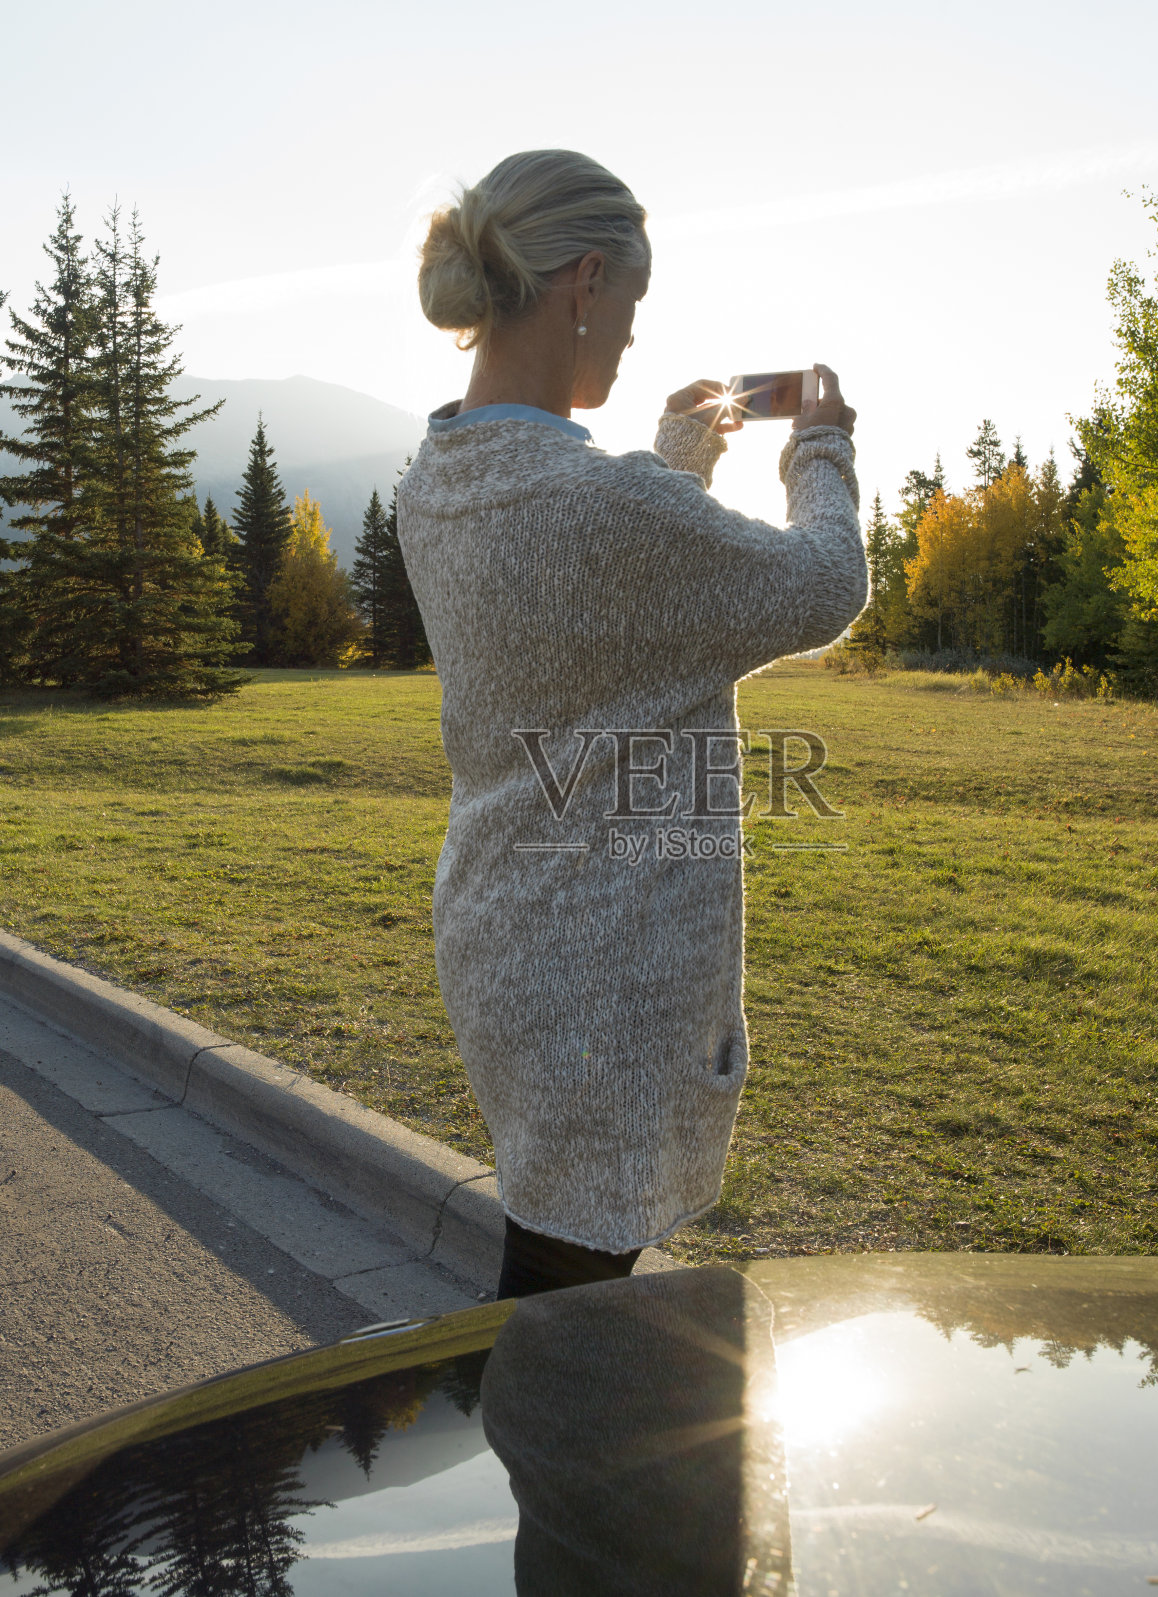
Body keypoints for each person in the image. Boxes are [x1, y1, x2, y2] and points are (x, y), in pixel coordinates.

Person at [397, 149, 866, 1300]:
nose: (631, 335)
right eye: (633, 303)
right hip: (603, 977)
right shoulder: (602, 503)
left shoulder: (434, 481)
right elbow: (824, 581)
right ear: (587, 282)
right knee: (562, 1319)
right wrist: (820, 444)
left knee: (560, 1278)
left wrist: (674, 465)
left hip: (503, 939)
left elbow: (593, 612)